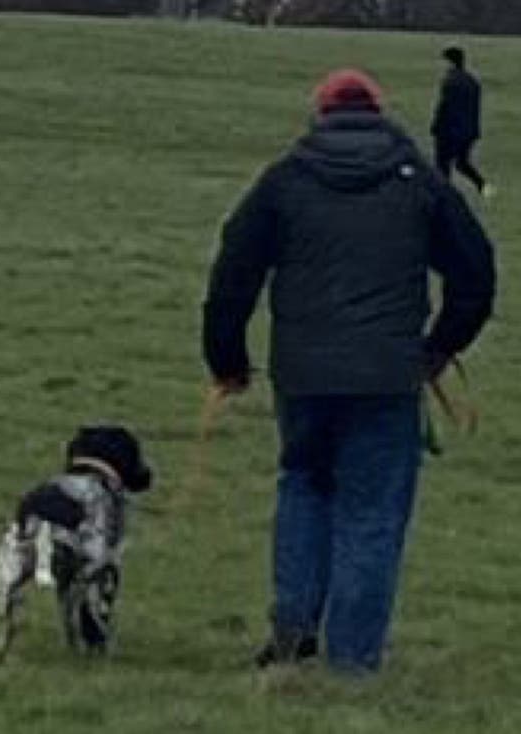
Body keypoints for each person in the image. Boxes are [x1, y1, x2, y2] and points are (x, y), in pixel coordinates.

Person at [202, 69, 496, 674]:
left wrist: (227, 361)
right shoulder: (417, 179)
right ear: (380, 111)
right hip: (388, 377)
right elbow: (476, 273)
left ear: (319, 112)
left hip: (303, 376)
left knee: (303, 486)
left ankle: (292, 632)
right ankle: (353, 661)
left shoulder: (286, 179)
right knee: (372, 512)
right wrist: (438, 347)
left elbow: (233, 272)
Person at [431, 46, 492, 196]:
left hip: (449, 130)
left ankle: (444, 194)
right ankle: (483, 185)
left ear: (450, 62)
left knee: (442, 164)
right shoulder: (472, 81)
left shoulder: (450, 81)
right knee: (462, 163)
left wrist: (436, 126)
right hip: (468, 130)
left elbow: (445, 107)